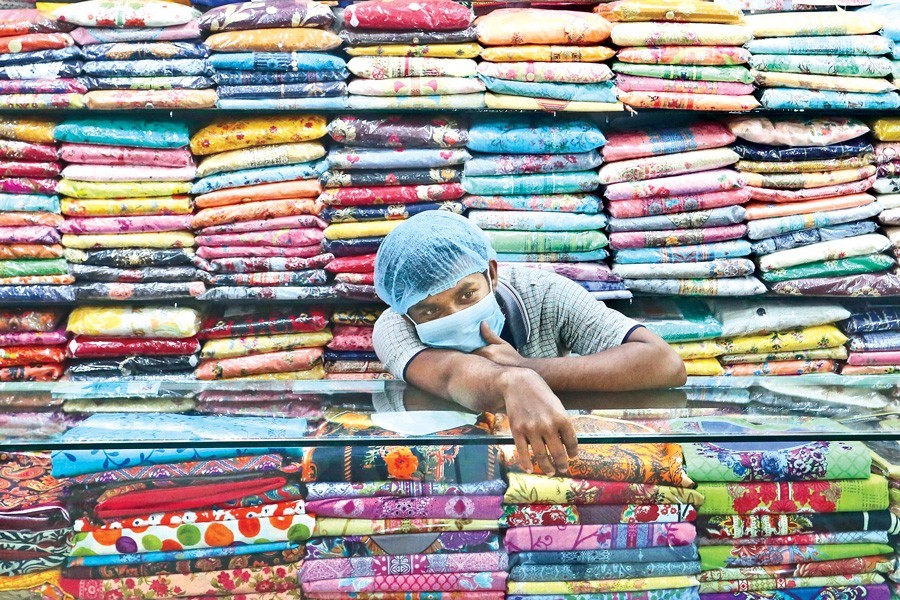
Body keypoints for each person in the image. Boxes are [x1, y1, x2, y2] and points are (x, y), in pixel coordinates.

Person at [372, 211, 686, 475]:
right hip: (451, 470)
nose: (456, 315)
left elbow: (664, 363)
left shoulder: (546, 294)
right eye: (431, 311)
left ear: (491, 273)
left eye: (467, 295)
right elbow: (451, 374)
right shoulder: (395, 326)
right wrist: (513, 380)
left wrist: (528, 368)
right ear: (406, 310)